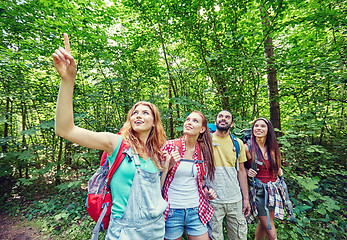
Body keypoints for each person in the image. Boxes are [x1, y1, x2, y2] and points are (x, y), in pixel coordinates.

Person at [53, 33, 168, 239]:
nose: (138, 115)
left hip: (157, 229)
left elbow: (154, 193)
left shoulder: (156, 153)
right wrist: (68, 80)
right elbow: (65, 129)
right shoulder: (116, 143)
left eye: (145, 112)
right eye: (134, 112)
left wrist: (166, 167)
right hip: (125, 232)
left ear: (154, 122)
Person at [161, 111, 217, 240]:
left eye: (195, 121)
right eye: (187, 119)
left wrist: (208, 191)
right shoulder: (170, 146)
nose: (189, 122)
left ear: (202, 129)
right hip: (172, 210)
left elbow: (200, 181)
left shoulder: (203, 151)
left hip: (196, 210)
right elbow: (156, 178)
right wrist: (169, 164)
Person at [244, 117, 293, 240]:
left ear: (268, 130)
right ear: (252, 129)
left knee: (264, 223)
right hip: (259, 192)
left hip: (273, 191)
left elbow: (278, 169)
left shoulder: (273, 148)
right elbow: (236, 168)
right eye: (256, 126)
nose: (259, 128)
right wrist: (246, 171)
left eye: (262, 126)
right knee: (270, 230)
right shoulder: (247, 148)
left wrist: (279, 172)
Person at [206, 110, 250, 240]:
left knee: (239, 236)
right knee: (214, 237)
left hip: (235, 199)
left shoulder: (238, 143)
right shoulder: (206, 142)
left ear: (232, 124)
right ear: (215, 121)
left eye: (227, 117)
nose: (223, 119)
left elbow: (241, 171)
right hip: (213, 200)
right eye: (220, 116)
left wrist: (246, 199)